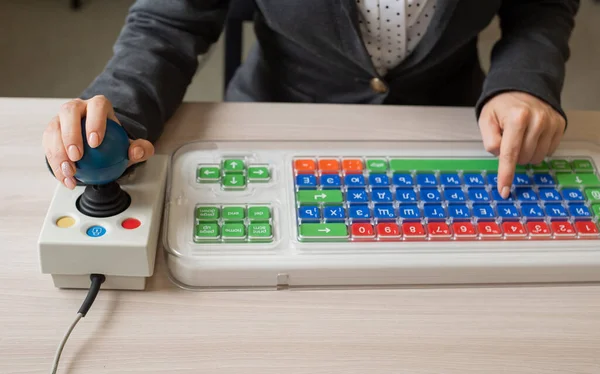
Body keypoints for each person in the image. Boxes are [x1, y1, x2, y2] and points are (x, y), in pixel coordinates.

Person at [42, 0, 579, 199]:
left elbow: (542, 8)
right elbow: (168, 22)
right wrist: (118, 112)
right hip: (277, 121)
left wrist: (523, 81)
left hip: (450, 126)